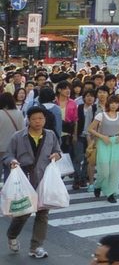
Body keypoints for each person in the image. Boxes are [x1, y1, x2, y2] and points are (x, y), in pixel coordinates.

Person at [4, 106, 62, 258]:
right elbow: (7, 155)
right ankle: (12, 235)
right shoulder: (18, 137)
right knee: (23, 213)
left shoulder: (50, 135)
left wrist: (56, 155)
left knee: (43, 213)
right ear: (28, 120)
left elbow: (58, 151)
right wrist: (12, 162)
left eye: (41, 118)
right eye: (35, 119)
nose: (38, 121)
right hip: (24, 180)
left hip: (44, 180)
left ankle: (36, 247)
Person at [89, 96, 119, 203]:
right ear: (108, 104)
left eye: (116, 103)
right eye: (112, 103)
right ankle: (98, 185)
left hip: (116, 143)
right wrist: (102, 137)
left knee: (114, 170)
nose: (114, 105)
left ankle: (111, 193)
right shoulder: (101, 115)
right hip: (103, 142)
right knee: (104, 171)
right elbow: (90, 129)